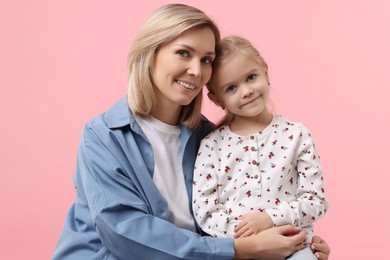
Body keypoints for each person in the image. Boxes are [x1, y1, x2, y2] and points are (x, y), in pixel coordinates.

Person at [53, 4, 330, 260]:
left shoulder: (210, 138)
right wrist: (239, 249)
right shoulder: (103, 136)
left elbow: (246, 207)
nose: (197, 71)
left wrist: (295, 242)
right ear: (151, 53)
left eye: (207, 59)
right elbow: (125, 233)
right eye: (183, 53)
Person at [192, 36, 329, 259]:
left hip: (293, 248)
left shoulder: (296, 134)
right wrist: (247, 239)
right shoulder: (211, 145)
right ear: (216, 98)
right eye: (231, 88)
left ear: (265, 71)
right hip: (239, 250)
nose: (246, 91)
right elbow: (205, 212)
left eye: (251, 77)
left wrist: (269, 218)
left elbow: (315, 201)